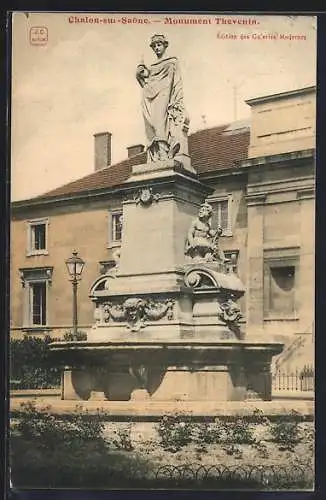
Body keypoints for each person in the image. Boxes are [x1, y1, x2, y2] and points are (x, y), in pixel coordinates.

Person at [136, 34, 189, 162]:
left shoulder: (172, 61)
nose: (156, 48)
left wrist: (176, 99)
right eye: (154, 46)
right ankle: (158, 153)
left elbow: (177, 82)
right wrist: (139, 71)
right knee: (153, 124)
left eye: (159, 45)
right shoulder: (153, 66)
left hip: (166, 96)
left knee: (160, 123)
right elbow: (145, 79)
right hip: (152, 97)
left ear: (165, 45)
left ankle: (164, 152)